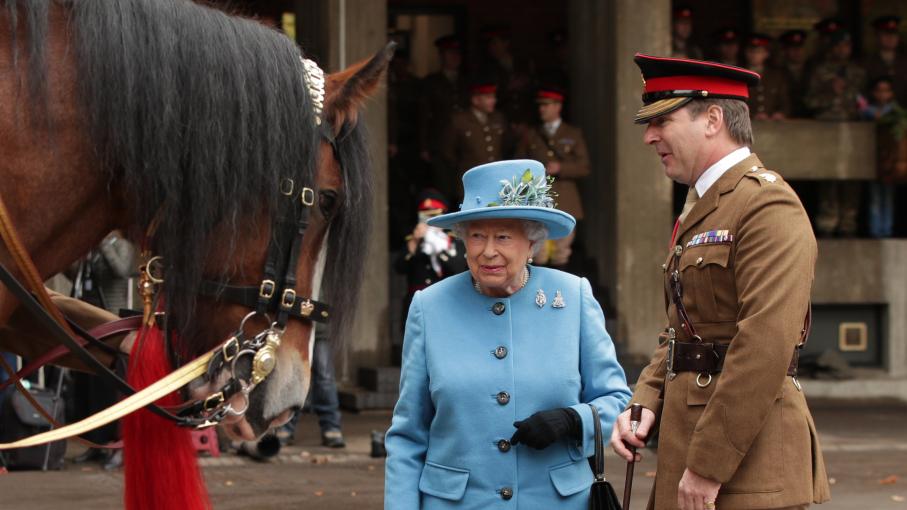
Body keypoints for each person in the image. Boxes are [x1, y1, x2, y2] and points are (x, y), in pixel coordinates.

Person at [612, 54, 831, 510]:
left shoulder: (766, 204)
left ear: (713, 119)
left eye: (663, 121)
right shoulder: (704, 202)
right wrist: (646, 399)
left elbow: (765, 343)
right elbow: (682, 325)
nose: (650, 137)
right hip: (693, 448)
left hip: (745, 467)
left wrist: (709, 464)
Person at [385, 159, 631, 508]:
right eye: (477, 236)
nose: (488, 251)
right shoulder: (429, 307)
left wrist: (572, 421)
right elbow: (408, 434)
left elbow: (617, 401)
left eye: (503, 236)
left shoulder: (573, 296)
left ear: (531, 243)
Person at [515, 86, 590, 266]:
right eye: (540, 105)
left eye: (547, 105)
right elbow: (519, 164)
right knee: (536, 253)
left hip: (565, 200)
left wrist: (561, 167)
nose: (542, 109)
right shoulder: (531, 135)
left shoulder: (572, 133)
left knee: (561, 253)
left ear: (558, 106)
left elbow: (584, 167)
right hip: (537, 200)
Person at [806, 30, 865, 237]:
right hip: (827, 128)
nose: (843, 50)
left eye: (847, 46)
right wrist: (830, 91)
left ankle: (849, 223)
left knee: (851, 176)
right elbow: (808, 102)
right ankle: (828, 222)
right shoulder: (820, 71)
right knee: (828, 176)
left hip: (853, 130)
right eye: (839, 46)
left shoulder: (858, 72)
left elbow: (865, 101)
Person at [394, 189, 467, 327]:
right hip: (416, 306)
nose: (428, 223)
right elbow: (399, 267)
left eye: (433, 216)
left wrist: (438, 248)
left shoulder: (453, 242)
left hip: (446, 303)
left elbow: (458, 269)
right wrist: (415, 242)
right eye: (425, 217)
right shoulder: (413, 240)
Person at [438, 80, 511, 203]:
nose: (493, 100)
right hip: (470, 185)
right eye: (488, 97)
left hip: (497, 184)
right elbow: (447, 152)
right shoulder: (459, 121)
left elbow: (507, 147)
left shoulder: (498, 118)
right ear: (476, 100)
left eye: (493, 97)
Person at [276, 322, 345, 448]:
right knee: (292, 375)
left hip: (321, 330)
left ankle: (331, 426)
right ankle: (285, 425)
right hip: (296, 328)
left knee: (325, 378)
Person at [861, 76, 901, 238]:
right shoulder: (868, 111)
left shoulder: (896, 112)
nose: (883, 95)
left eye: (886, 91)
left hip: (891, 159)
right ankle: (876, 230)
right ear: (873, 93)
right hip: (872, 158)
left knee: (888, 196)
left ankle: (887, 230)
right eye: (879, 91)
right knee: (876, 197)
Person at [743, 33, 790, 120]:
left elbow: (785, 101)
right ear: (746, 53)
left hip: (773, 123)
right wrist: (752, 115)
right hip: (748, 123)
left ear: (766, 54)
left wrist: (781, 113)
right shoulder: (740, 75)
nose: (754, 55)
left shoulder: (776, 75)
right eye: (751, 51)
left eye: (759, 52)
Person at [779, 29, 811, 118]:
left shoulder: (812, 69)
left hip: (810, 116)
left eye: (800, 47)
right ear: (785, 50)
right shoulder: (779, 72)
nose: (797, 52)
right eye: (793, 48)